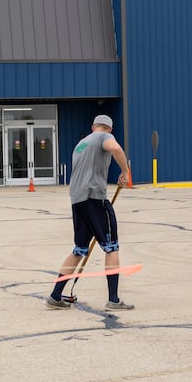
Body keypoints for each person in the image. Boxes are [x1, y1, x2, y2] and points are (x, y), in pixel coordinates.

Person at [45, 114, 134, 310]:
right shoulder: (104, 138)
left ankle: (56, 295)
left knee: (79, 249)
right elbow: (116, 148)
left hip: (78, 200)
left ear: (93, 126)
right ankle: (113, 299)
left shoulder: (81, 144)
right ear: (109, 129)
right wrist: (125, 173)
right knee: (111, 246)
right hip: (95, 197)